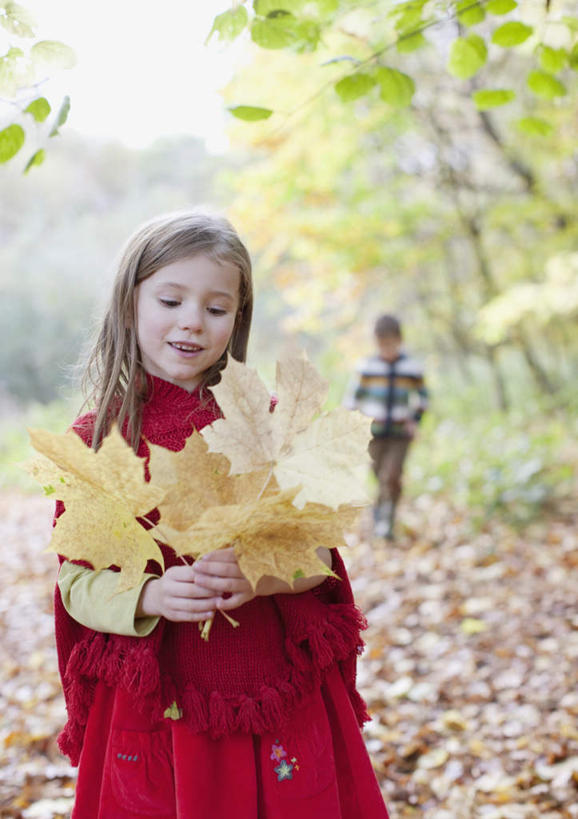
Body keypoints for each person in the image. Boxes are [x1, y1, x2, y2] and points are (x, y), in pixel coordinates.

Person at [52, 211, 389, 818]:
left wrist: (261, 574)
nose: (191, 321)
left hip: (274, 691)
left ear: (238, 317)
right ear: (130, 303)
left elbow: (319, 558)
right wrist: (149, 597)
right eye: (171, 299)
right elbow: (76, 586)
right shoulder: (99, 438)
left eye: (216, 307)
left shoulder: (263, 419)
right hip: (162, 706)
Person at [345, 314, 428, 540]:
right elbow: (353, 398)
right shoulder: (367, 367)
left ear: (399, 340)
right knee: (378, 473)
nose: (387, 349)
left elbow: (422, 398)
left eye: (391, 343)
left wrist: (415, 419)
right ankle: (380, 508)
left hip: (400, 434)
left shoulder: (411, 367)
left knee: (392, 474)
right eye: (382, 344)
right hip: (373, 433)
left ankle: (386, 519)